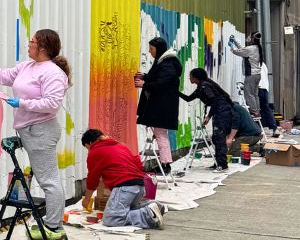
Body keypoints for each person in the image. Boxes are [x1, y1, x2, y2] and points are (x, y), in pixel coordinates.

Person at [0, 29, 70, 240]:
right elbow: (1, 75)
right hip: (30, 130)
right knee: (47, 178)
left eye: (32, 41)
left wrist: (22, 103)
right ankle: (52, 224)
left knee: (49, 180)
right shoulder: (27, 66)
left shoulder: (53, 73)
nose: (29, 44)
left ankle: (53, 226)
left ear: (42, 47)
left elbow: (52, 104)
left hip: (41, 131)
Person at [81, 129, 164, 229]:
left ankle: (147, 213)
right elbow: (137, 162)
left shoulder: (95, 151)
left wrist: (87, 199)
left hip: (125, 186)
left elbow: (92, 179)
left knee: (112, 219)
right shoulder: (120, 146)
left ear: (90, 143)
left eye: (87, 148)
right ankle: (153, 205)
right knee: (128, 209)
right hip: (140, 185)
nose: (89, 151)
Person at [135, 37, 183, 173]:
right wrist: (145, 76)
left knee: (161, 135)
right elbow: (159, 77)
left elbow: (162, 83)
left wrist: (144, 84)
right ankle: (165, 163)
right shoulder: (164, 62)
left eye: (151, 49)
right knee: (161, 134)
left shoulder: (167, 64)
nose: (150, 51)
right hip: (162, 106)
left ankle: (165, 165)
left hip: (162, 107)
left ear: (159, 49)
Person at [179, 68, 233, 172]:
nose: (189, 78)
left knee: (219, 137)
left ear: (195, 77)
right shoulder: (201, 87)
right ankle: (218, 163)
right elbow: (188, 98)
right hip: (220, 110)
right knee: (216, 138)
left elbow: (214, 100)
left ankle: (223, 165)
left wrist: (208, 116)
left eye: (190, 76)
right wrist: (175, 92)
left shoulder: (205, 86)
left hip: (222, 110)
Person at [229, 32, 262, 116]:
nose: (247, 37)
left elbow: (238, 52)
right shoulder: (256, 47)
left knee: (248, 93)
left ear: (252, 38)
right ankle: (257, 111)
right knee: (254, 94)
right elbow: (243, 50)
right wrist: (235, 42)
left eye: (249, 36)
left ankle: (254, 111)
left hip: (251, 75)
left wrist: (232, 46)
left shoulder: (250, 49)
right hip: (257, 74)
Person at [258, 61, 277, 130]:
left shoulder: (255, 63)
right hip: (265, 88)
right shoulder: (263, 64)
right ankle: (272, 126)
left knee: (257, 109)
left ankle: (260, 127)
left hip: (258, 87)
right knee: (265, 108)